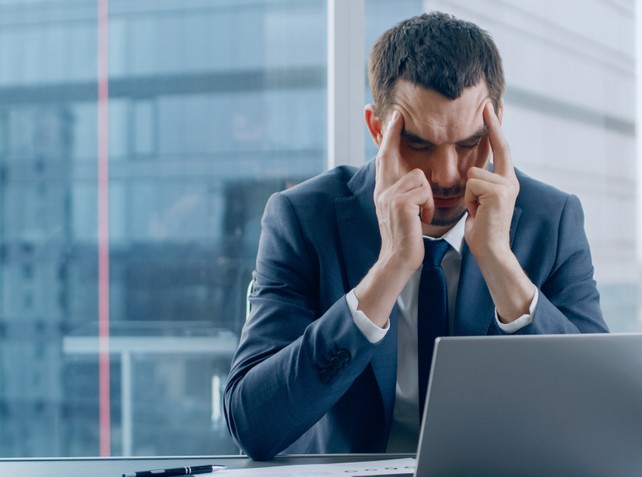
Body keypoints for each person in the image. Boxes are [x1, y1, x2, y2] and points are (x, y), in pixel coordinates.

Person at [223, 12, 608, 461]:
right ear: (377, 129)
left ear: (498, 125)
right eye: (419, 144)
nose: (447, 175)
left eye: (469, 144)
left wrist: (503, 266)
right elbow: (252, 424)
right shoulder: (303, 218)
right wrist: (386, 274)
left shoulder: (552, 219)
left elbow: (600, 417)